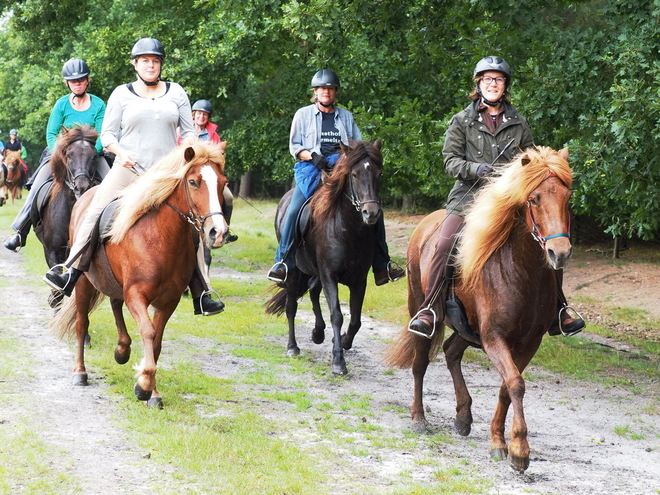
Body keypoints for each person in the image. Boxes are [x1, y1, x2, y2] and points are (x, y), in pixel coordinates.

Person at [43, 38, 225, 316]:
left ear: (161, 64)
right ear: (135, 64)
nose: (151, 65)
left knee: (192, 223)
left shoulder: (176, 92)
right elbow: (107, 135)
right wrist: (119, 152)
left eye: (155, 61)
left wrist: (188, 152)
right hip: (128, 169)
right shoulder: (121, 94)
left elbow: (189, 132)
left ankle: (202, 291)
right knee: (95, 210)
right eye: (145, 61)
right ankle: (70, 271)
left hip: (166, 174)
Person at [408, 56, 585, 338]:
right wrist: (475, 168)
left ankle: (559, 309)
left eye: (498, 79)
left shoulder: (519, 123)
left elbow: (533, 162)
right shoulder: (461, 121)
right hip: (468, 196)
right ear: (478, 84)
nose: (493, 84)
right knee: (445, 242)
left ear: (505, 86)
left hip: (508, 202)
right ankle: (429, 309)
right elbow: (449, 161)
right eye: (488, 79)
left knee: (548, 238)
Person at [267, 69, 405, 285]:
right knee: (294, 210)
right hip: (310, 169)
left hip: (342, 170)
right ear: (315, 91)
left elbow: (358, 146)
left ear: (335, 92)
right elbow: (295, 147)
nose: (326, 92)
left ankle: (382, 264)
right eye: (322, 88)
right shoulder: (302, 115)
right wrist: (314, 157)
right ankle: (283, 262)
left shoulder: (346, 117)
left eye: (330, 89)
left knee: (374, 208)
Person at [3, 59, 109, 252]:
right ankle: (21, 230)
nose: (78, 83)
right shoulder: (61, 104)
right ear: (67, 83)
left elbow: (103, 132)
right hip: (61, 155)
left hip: (92, 155)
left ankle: (119, 231)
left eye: (81, 79)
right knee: (37, 186)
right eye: (73, 80)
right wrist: (59, 154)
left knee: (113, 183)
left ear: (87, 80)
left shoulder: (99, 104)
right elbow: (51, 134)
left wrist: (95, 152)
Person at [190, 99, 237, 243]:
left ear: (208, 117)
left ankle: (225, 229)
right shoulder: (184, 130)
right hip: (189, 175)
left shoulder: (213, 135)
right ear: (194, 114)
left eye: (205, 115)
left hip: (208, 177)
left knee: (228, 197)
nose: (201, 117)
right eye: (199, 114)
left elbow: (219, 158)